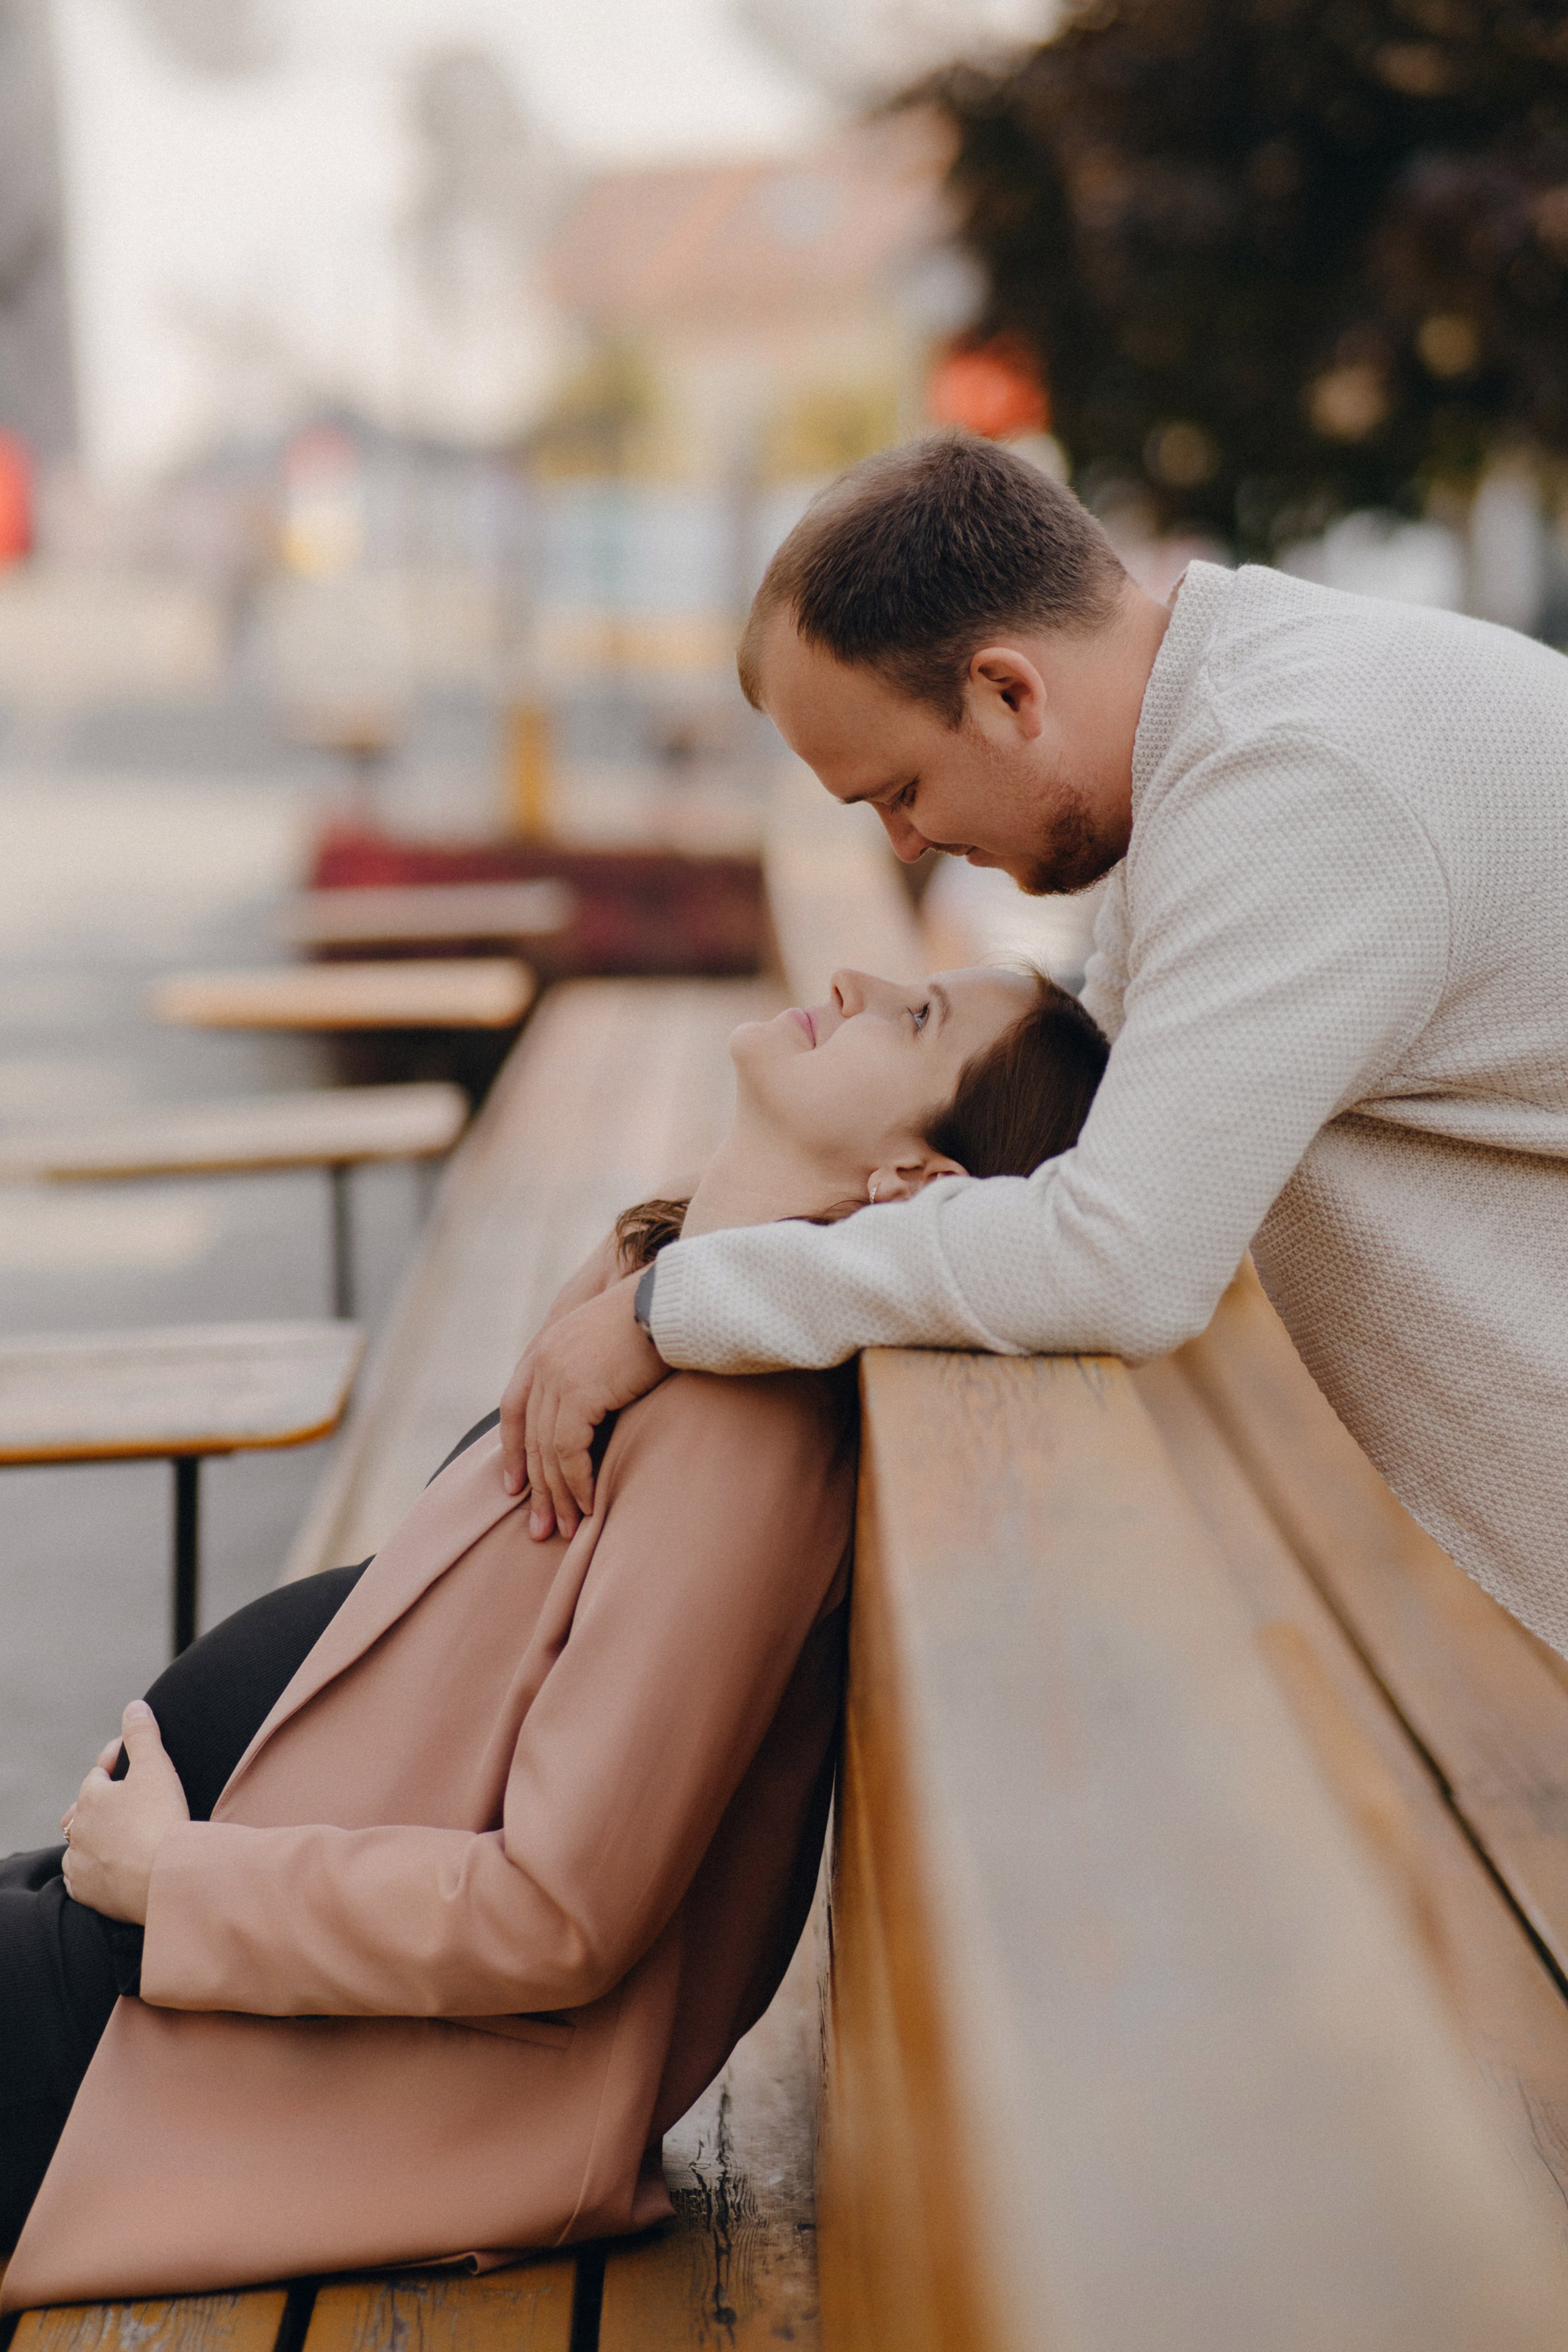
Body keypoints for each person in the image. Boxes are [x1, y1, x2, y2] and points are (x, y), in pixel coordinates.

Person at [0, 962, 1106, 2312]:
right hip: (169, 1976)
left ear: (911, 1182)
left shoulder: (746, 1438)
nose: (856, 979)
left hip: (194, 2057)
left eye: (916, 1018)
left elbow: (559, 1910)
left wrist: (179, 1883)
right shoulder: (670, 1322)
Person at [502, 431, 1568, 1664]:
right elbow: (1092, 1101)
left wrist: (672, 1304)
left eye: (898, 791)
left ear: (1007, 691)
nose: (903, 848)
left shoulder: (1291, 786)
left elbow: (1118, 1256)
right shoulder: (1232, 724)